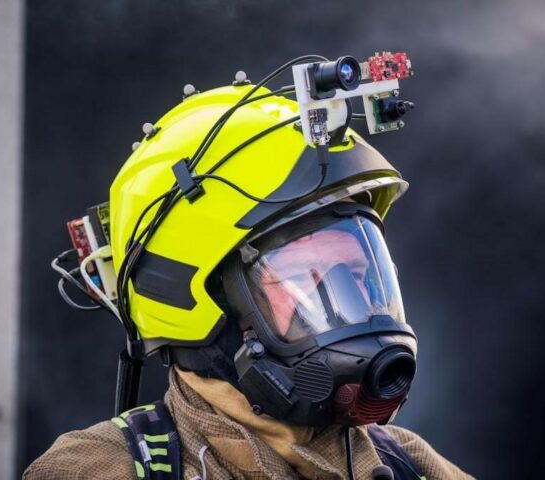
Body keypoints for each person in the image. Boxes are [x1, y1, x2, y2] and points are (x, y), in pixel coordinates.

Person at [26, 57, 473, 479]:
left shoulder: (411, 463)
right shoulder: (97, 468)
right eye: (307, 278)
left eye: (358, 274)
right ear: (198, 298)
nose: (354, 304)